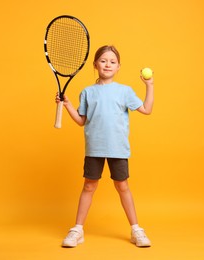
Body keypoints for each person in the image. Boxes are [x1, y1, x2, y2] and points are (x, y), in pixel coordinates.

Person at [56, 45, 154, 248]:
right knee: (89, 186)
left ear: (118, 67)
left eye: (112, 61)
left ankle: (136, 230)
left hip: (118, 148)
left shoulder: (125, 91)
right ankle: (77, 230)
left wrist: (149, 85)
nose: (107, 64)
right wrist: (67, 105)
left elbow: (146, 109)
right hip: (95, 148)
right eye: (103, 60)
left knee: (123, 186)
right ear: (95, 65)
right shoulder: (87, 92)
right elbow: (82, 120)